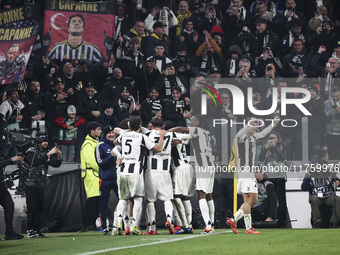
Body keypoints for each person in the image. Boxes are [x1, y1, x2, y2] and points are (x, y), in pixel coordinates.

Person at [227, 117, 280, 234]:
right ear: (247, 126)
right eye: (253, 125)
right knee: (248, 200)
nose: (256, 127)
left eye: (256, 125)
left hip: (250, 172)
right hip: (243, 170)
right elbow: (238, 134)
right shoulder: (241, 137)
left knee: (254, 200)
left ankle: (233, 219)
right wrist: (248, 124)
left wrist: (273, 124)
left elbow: (263, 133)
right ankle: (248, 227)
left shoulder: (254, 137)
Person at [114, 116, 165, 235]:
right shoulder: (142, 137)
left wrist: (125, 133)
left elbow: (115, 142)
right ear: (140, 126)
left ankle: (118, 223)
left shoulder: (124, 135)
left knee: (123, 198)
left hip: (123, 171)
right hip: (135, 172)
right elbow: (158, 148)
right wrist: (161, 136)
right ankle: (134, 226)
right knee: (137, 198)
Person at [144, 117, 191, 235]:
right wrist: (180, 141)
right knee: (168, 199)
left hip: (151, 172)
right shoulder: (170, 134)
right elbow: (188, 136)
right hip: (165, 172)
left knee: (150, 201)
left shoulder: (147, 133)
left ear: (151, 125)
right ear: (163, 125)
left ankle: (153, 228)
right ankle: (169, 220)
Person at [24, 134, 62, 238]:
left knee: (39, 207)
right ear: (37, 141)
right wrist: (49, 154)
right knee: (32, 207)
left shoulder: (46, 152)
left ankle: (36, 229)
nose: (46, 143)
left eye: (46, 140)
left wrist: (59, 156)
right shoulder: (30, 151)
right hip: (30, 182)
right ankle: (30, 230)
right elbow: (34, 162)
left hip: (40, 183)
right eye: (43, 140)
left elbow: (55, 164)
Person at [189, 114, 215, 234]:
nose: (189, 123)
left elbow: (182, 130)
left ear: (198, 122)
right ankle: (212, 224)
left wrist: (168, 130)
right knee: (209, 195)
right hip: (210, 165)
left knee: (201, 194)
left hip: (203, 166)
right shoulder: (207, 133)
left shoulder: (196, 130)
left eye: (191, 121)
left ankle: (208, 226)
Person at [301, 150, 340, 228]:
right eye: (316, 165)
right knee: (314, 200)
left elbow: (336, 180)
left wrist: (337, 182)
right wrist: (307, 177)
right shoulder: (311, 172)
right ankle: (317, 222)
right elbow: (303, 187)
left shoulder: (328, 171)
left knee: (337, 199)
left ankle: (334, 221)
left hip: (328, 196)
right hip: (316, 195)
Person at [258, 131, 288, 227]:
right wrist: (265, 149)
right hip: (268, 177)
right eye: (270, 138)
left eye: (274, 138)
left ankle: (283, 221)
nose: (271, 140)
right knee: (270, 199)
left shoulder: (281, 147)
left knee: (281, 200)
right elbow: (260, 158)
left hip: (279, 176)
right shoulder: (266, 147)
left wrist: (275, 147)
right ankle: (270, 219)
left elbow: (283, 157)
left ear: (278, 139)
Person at [95, 125, 118, 235]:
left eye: (113, 132)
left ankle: (120, 224)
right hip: (105, 179)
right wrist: (112, 155)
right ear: (105, 134)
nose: (111, 134)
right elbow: (100, 163)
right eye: (109, 133)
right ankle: (104, 227)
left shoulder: (119, 143)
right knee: (103, 203)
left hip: (118, 178)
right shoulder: (100, 145)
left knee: (123, 201)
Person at [80, 121, 102, 232]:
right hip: (91, 174)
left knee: (96, 200)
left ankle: (92, 224)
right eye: (98, 129)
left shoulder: (95, 142)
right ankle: (86, 224)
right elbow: (92, 161)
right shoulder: (88, 144)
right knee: (92, 200)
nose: (100, 131)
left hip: (95, 174)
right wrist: (102, 169)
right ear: (92, 131)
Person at [0, 154, 24, 240]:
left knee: (9, 205)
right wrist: (11, 160)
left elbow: (5, 159)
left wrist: (15, 158)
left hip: (1, 185)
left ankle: (9, 231)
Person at [0, 86, 26, 157]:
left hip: (15, 134)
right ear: (9, 96)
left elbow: (25, 111)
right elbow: (1, 119)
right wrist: (13, 120)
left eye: (17, 93)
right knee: (5, 151)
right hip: (7, 134)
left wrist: (22, 116)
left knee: (14, 152)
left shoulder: (17, 103)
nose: (17, 95)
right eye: (14, 94)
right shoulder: (5, 104)